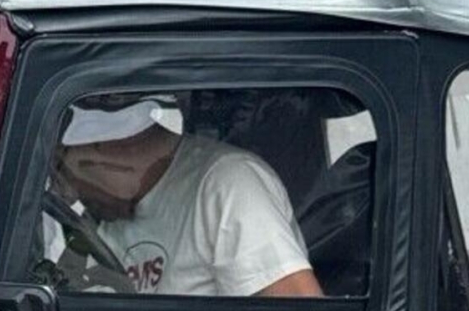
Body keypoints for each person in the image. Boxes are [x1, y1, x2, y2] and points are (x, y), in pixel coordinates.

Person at [48, 95, 323, 299]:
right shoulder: (105, 221)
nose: (69, 193)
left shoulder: (227, 184)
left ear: (96, 147)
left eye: (63, 171)